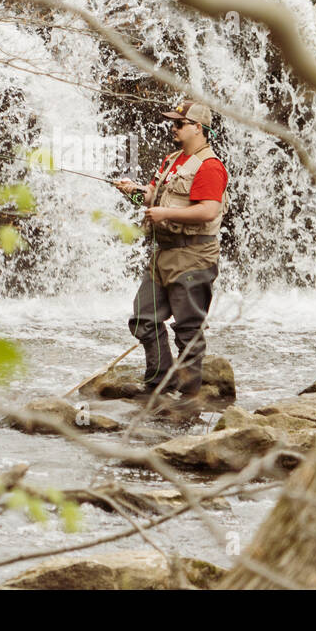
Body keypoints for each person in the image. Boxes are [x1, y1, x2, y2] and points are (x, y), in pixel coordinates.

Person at [114, 101, 228, 414]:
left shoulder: (210, 166)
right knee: (143, 317)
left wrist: (164, 212)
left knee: (188, 328)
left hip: (193, 256)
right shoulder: (173, 159)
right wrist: (132, 190)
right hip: (163, 253)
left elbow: (208, 210)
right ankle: (159, 384)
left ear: (198, 128)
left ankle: (190, 399)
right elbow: (152, 195)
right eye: (174, 123)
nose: (174, 128)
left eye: (180, 123)